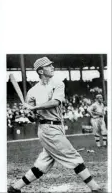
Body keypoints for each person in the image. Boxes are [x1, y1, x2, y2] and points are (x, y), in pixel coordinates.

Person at [7, 57, 103, 193]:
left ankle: (15, 187)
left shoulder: (58, 84)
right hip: (47, 129)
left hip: (58, 126)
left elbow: (55, 102)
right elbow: (33, 118)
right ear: (40, 70)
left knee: (43, 163)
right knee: (73, 156)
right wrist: (29, 113)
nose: (53, 67)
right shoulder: (32, 92)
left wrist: (34, 108)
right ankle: (95, 188)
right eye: (48, 66)